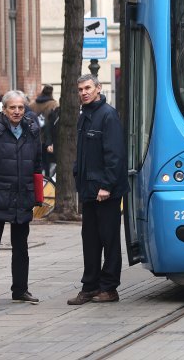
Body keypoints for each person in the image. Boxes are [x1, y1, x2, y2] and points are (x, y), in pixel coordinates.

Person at [0, 90, 42, 306]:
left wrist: (36, 194)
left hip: (22, 197)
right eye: (12, 107)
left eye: (21, 107)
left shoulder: (31, 129)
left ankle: (20, 289)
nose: (17, 111)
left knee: (21, 247)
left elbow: (37, 164)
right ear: (4, 109)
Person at [68, 75, 128, 305]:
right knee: (90, 240)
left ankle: (109, 288)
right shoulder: (84, 116)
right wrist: (77, 173)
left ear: (98, 89)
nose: (83, 92)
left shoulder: (108, 115)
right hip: (89, 189)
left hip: (106, 192)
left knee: (109, 239)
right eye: (80, 89)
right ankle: (90, 286)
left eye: (87, 88)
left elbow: (115, 155)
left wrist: (106, 186)